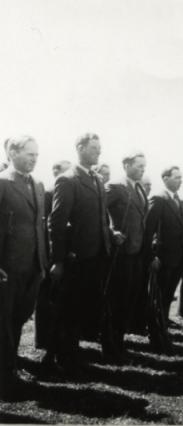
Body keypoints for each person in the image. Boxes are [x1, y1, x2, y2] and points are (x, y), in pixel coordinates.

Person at [49, 133, 119, 372]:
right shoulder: (68, 180)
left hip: (97, 255)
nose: (98, 152)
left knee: (85, 306)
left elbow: (101, 218)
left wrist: (109, 237)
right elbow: (57, 223)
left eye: (99, 148)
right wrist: (59, 259)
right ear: (79, 148)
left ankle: (74, 353)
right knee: (70, 307)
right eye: (93, 148)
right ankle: (63, 357)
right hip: (77, 257)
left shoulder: (98, 179)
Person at [0, 136, 47, 400]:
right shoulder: (3, 183)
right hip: (8, 269)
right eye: (30, 154)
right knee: (3, 324)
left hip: (32, 266)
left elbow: (40, 225)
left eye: (37, 155)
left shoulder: (37, 184)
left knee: (17, 320)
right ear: (12, 152)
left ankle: (11, 369)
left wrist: (43, 262)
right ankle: (5, 380)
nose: (34, 159)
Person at [103, 152, 148, 361]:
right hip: (120, 253)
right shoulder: (115, 186)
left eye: (144, 166)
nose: (142, 169)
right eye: (139, 166)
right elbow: (98, 211)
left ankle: (119, 341)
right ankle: (110, 345)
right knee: (116, 299)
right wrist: (111, 232)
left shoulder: (138, 188)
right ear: (126, 164)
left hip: (136, 252)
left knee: (129, 298)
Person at [143, 166, 183, 353]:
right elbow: (148, 231)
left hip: (177, 258)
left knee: (167, 297)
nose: (180, 181)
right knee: (157, 299)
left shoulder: (179, 201)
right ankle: (156, 337)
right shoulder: (159, 198)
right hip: (163, 258)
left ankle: (163, 333)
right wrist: (152, 256)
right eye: (176, 177)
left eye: (181, 177)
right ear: (165, 178)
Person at [35, 160, 71, 363]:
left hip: (61, 253)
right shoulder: (50, 193)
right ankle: (46, 347)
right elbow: (49, 225)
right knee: (48, 302)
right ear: (56, 172)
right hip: (51, 255)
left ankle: (55, 344)